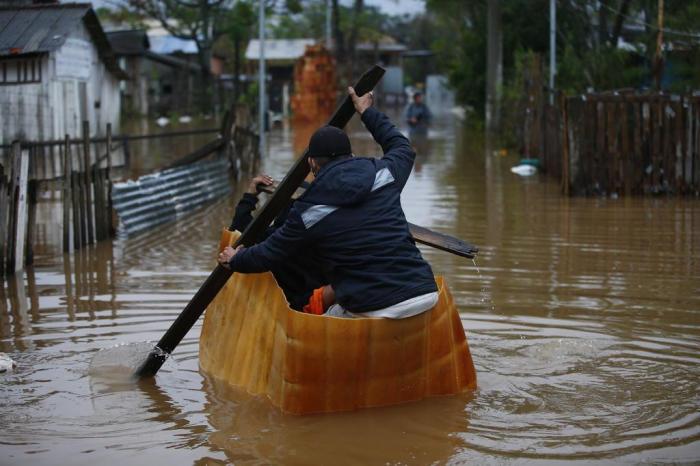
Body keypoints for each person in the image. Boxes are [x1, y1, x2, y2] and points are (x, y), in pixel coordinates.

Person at [219, 87, 437, 319]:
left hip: (373, 305)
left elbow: (268, 253)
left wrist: (235, 259)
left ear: (312, 164)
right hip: (424, 291)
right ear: (350, 156)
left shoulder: (306, 211)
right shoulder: (385, 174)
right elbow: (402, 147)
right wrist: (366, 112)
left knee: (328, 317)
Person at [227, 174, 332, 313]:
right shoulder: (325, 232)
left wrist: (250, 195)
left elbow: (240, 227)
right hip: (319, 302)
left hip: (301, 306)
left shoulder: (276, 239)